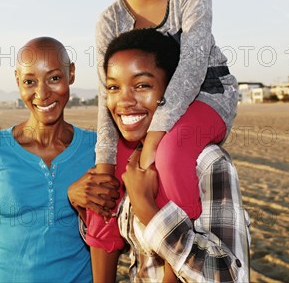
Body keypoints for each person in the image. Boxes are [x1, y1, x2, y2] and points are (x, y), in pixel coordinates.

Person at [91, 0, 239, 278]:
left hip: (207, 93)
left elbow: (190, 69)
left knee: (171, 155)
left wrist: (153, 143)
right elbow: (107, 94)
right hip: (146, 104)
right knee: (103, 188)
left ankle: (174, 267)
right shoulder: (109, 20)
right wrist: (105, 167)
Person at [70, 28, 251, 282]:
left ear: (175, 92)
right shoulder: (128, 161)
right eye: (113, 87)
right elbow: (129, 250)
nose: (124, 101)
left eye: (142, 85)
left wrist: (148, 210)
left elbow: (232, 277)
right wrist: (80, 201)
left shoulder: (208, 164)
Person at [0, 37, 116, 283]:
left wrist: (79, 204)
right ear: (17, 82)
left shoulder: (99, 150)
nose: (42, 94)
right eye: (29, 82)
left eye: (54, 78)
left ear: (71, 74)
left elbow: (119, 232)